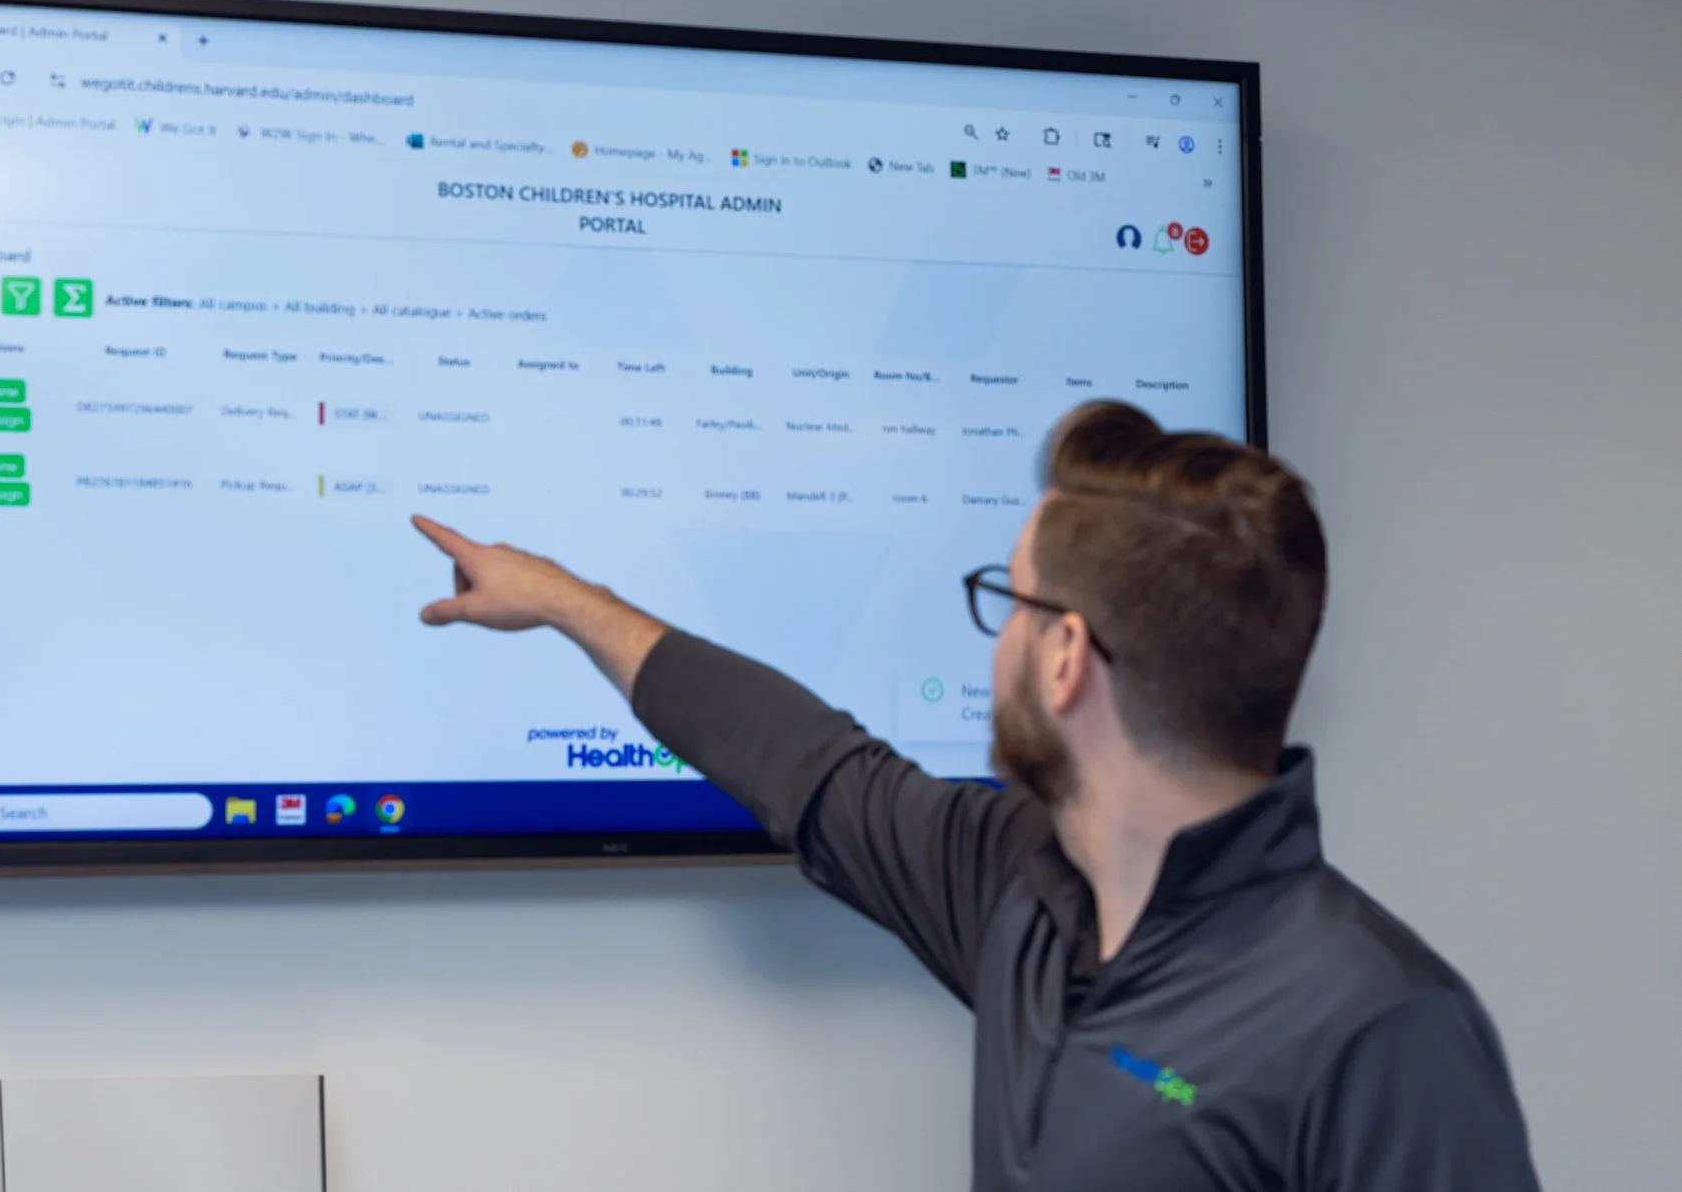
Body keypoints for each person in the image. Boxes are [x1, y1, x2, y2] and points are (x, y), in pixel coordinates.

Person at [410, 400, 1541, 1191]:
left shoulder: (1384, 1026)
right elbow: (810, 764)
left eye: (1011, 598)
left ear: (1065, 656)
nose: (995, 633)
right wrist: (566, 600)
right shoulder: (1025, 889)